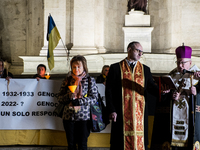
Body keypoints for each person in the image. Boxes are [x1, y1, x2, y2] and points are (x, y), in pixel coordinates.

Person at [105, 41, 159, 150]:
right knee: (120, 142)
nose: (140, 54)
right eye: (138, 51)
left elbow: (152, 88)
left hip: (140, 113)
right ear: (129, 49)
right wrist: (112, 110)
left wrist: (162, 91)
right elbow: (109, 91)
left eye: (142, 52)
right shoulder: (116, 68)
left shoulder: (145, 69)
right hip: (121, 113)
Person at [57, 55, 98, 150]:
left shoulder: (89, 80)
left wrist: (79, 101)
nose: (76, 69)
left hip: (84, 118)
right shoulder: (67, 80)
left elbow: (94, 98)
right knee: (71, 145)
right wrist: (68, 96)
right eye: (74, 67)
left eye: (79, 66)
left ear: (84, 67)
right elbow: (59, 98)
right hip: (68, 117)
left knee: (82, 145)